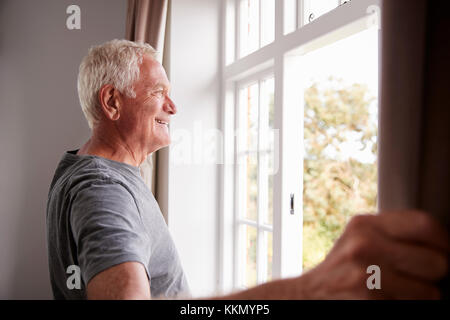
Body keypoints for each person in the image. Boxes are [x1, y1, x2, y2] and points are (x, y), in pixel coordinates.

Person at [46, 39, 449, 300]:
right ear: (112, 103)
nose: (174, 107)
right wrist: (311, 289)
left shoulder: (85, 168)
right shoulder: (103, 189)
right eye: (158, 94)